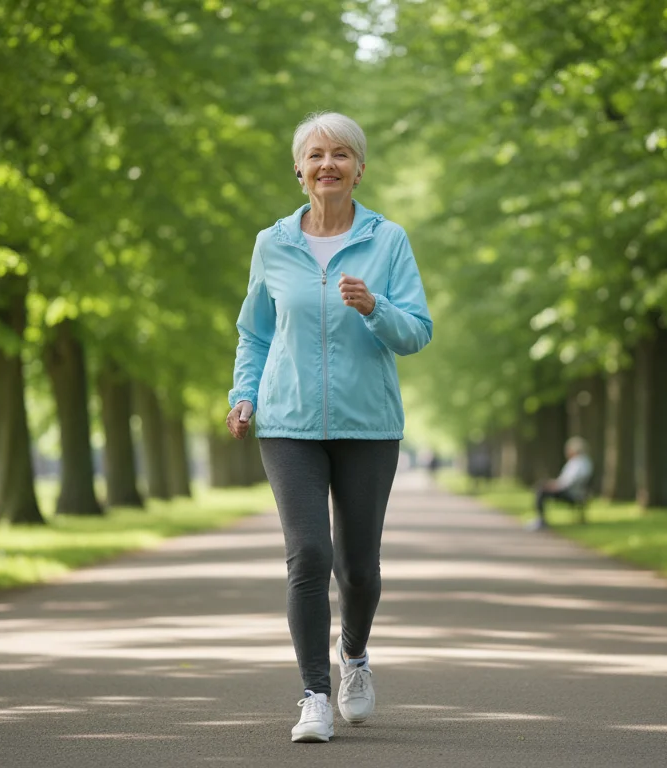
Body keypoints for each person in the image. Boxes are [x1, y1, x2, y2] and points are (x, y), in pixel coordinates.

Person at [225, 112, 433, 744]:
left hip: (368, 424)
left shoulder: (388, 240)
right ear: (298, 168)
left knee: (359, 568)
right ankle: (313, 694)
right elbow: (255, 332)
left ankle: (356, 658)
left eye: (341, 155)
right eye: (316, 155)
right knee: (309, 554)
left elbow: (417, 331)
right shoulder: (272, 243)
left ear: (360, 168)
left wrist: (376, 308)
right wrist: (242, 395)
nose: (328, 165)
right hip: (287, 422)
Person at [527, 437, 594, 531]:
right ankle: (540, 519)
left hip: (572, 493)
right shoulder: (583, 462)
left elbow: (569, 482)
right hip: (574, 491)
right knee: (542, 486)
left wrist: (554, 486)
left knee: (541, 490)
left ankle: (541, 520)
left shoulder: (578, 463)